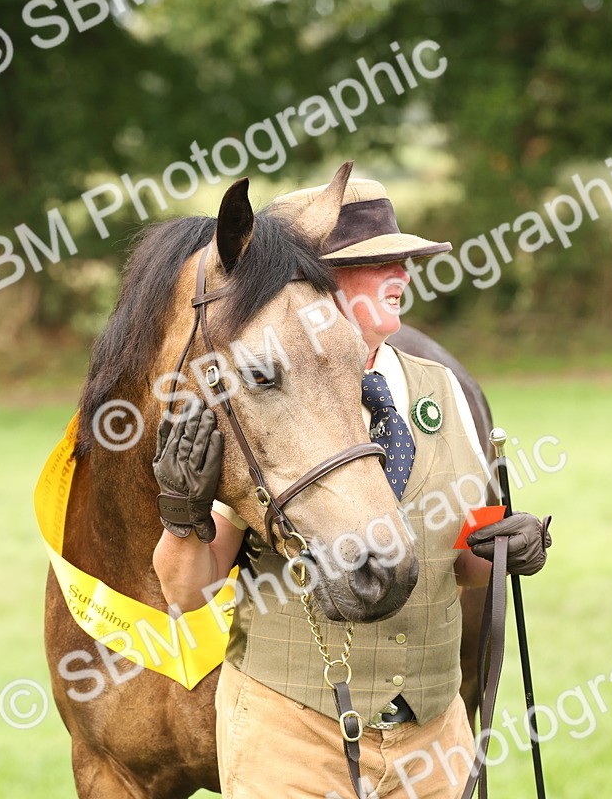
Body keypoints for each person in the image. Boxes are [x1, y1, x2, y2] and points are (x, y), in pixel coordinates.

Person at [151, 176, 552, 798]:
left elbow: (465, 559)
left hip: (433, 735)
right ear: (315, 285)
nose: (403, 272)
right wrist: (183, 517)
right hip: (291, 742)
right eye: (375, 261)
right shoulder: (262, 406)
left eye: (404, 259)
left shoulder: (441, 390)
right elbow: (186, 592)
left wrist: (506, 549)